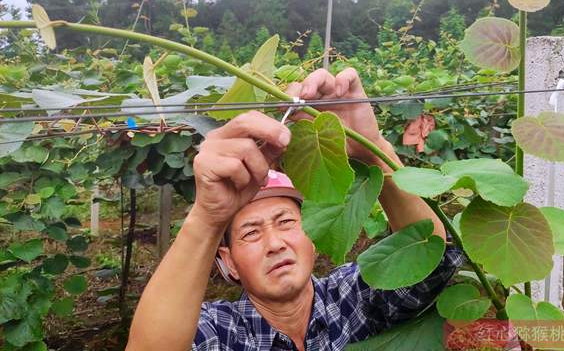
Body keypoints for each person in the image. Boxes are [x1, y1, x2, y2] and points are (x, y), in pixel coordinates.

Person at [126, 68, 464, 351]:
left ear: (311, 236)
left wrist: (372, 150)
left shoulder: (347, 300)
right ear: (228, 262)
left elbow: (433, 264)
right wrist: (206, 218)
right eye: (251, 233)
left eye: (287, 221)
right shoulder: (221, 332)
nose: (275, 243)